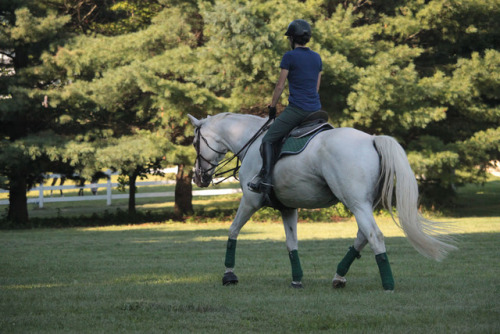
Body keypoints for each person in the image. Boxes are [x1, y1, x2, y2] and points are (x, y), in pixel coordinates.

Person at [248, 19, 322, 198]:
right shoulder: (317, 57)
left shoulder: (289, 57)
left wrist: (272, 106)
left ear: (292, 39)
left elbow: (280, 86)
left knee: (268, 139)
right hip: (316, 110)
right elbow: (317, 87)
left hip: (298, 109)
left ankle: (265, 179)